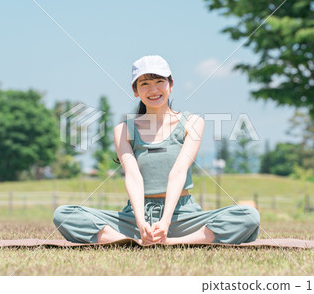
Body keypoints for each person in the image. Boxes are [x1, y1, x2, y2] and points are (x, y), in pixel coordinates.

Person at [53, 55, 260, 245]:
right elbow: (133, 176)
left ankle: (173, 241)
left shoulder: (192, 123)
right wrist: (141, 221)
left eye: (159, 81)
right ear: (135, 91)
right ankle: (128, 240)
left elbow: (178, 172)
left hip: (182, 215)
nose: (153, 90)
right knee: (64, 215)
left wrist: (166, 221)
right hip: (135, 217)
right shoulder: (124, 129)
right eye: (145, 83)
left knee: (249, 215)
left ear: (170, 85)